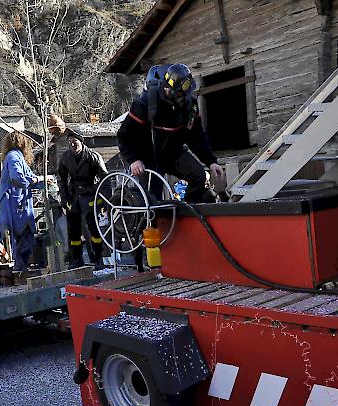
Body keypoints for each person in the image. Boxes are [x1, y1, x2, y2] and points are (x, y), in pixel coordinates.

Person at [118, 63, 225, 204]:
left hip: (172, 153)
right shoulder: (144, 104)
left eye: (185, 95)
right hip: (147, 156)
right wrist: (133, 160)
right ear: (167, 87)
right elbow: (124, 135)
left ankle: (189, 214)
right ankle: (152, 224)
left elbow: (197, 136)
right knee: (152, 199)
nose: (183, 98)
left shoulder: (190, 105)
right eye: (177, 93)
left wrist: (211, 161)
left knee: (199, 176)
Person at [58, 130, 108, 270]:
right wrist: (64, 197)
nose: (72, 144)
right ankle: (76, 259)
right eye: (70, 142)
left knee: (94, 230)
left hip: (91, 196)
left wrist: (105, 200)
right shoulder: (65, 157)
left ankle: (98, 258)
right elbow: (61, 179)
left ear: (81, 141)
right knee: (73, 231)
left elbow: (105, 178)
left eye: (75, 141)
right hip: (73, 198)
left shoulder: (93, 156)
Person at [0, 131, 40, 274]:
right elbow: (18, 178)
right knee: (23, 235)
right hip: (16, 205)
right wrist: (34, 181)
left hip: (17, 203)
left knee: (22, 237)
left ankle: (21, 266)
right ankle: (21, 268)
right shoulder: (14, 157)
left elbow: (28, 176)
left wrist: (40, 180)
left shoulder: (14, 157)